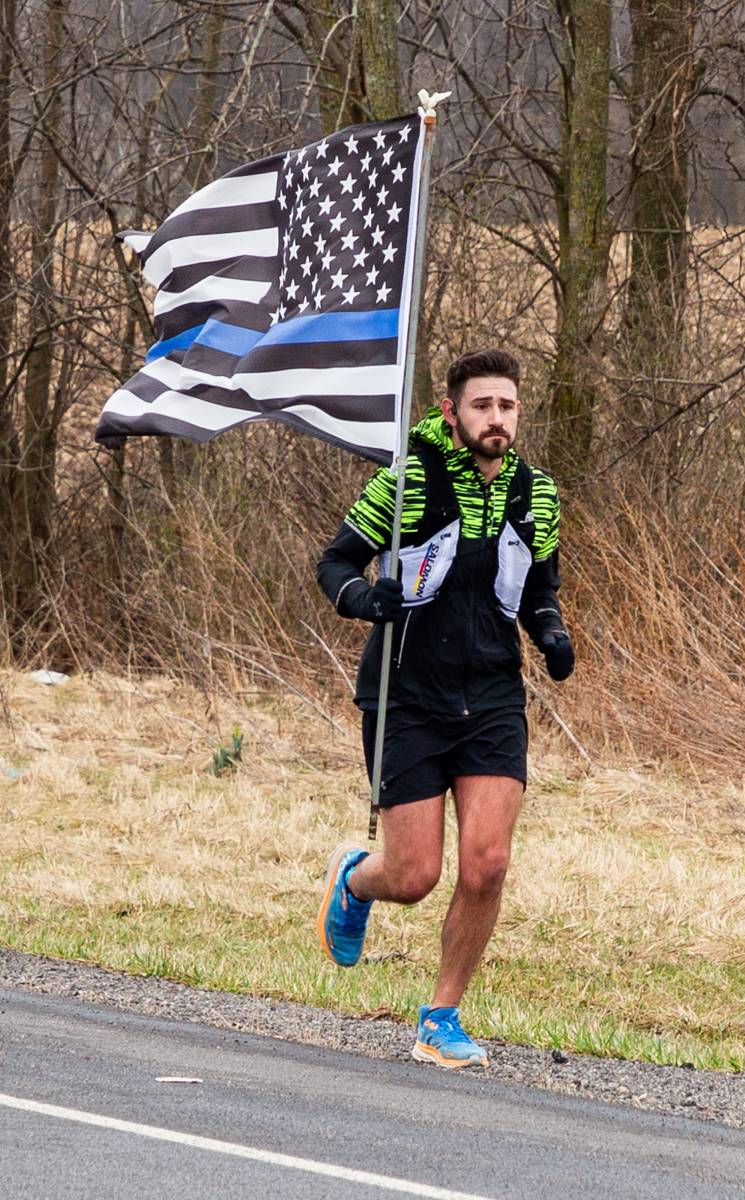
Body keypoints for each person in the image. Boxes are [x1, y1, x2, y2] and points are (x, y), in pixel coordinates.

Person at [315, 348, 574, 1069]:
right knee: (415, 874)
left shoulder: (537, 494)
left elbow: (537, 586)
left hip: (492, 694)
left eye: (509, 405)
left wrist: (550, 633)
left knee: (487, 865)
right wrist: (367, 599)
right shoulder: (406, 482)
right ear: (450, 410)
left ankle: (441, 1016)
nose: (497, 418)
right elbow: (334, 563)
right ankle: (356, 880)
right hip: (408, 696)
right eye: (483, 405)